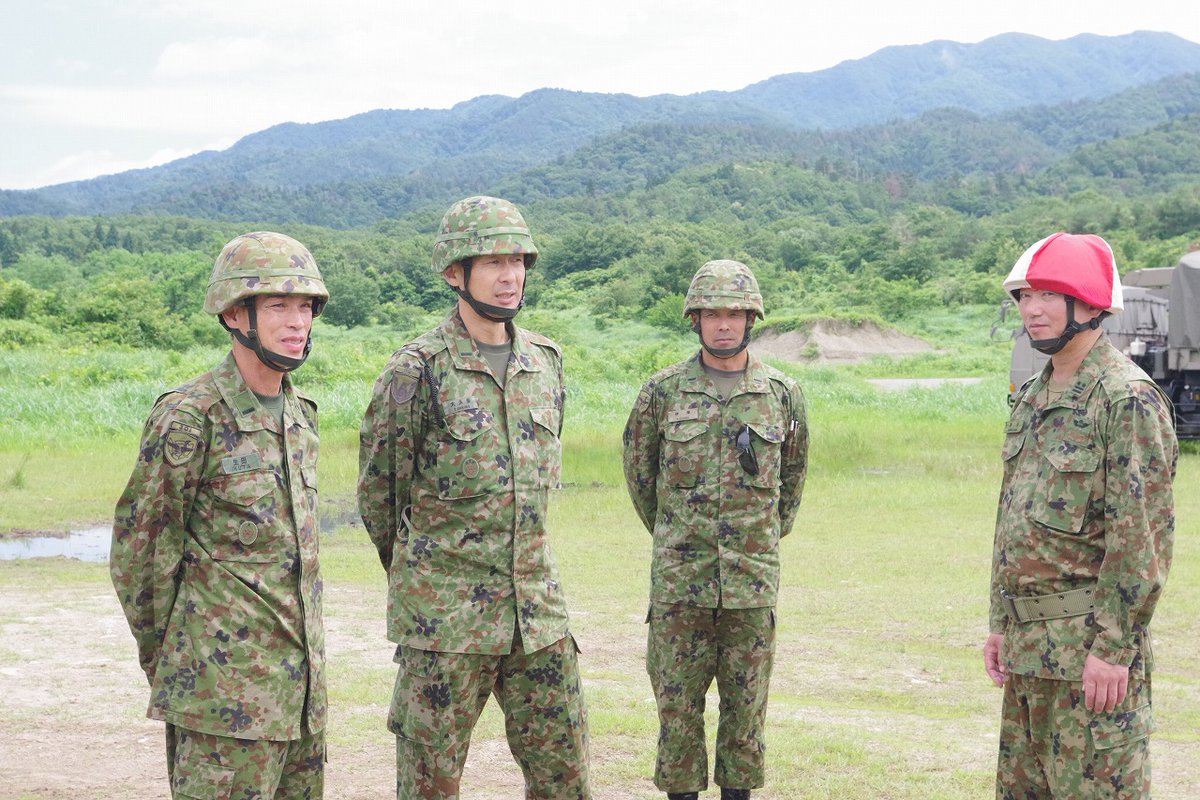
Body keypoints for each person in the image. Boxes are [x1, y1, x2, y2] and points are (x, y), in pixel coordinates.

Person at [358, 195, 590, 799]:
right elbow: (382, 495)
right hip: (446, 624)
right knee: (430, 784)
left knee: (565, 778)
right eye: (492, 262)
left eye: (517, 261)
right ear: (454, 273)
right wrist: (426, 581)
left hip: (537, 616)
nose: (509, 276)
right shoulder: (417, 370)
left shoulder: (545, 362)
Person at [110, 232, 330, 799]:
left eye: (305, 306)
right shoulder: (191, 416)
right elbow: (142, 556)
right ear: (235, 314)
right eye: (277, 305)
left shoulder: (299, 415)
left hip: (301, 698)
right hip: (220, 698)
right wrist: (179, 665)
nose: (296, 322)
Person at [983, 232, 1177, 798]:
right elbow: (1011, 519)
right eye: (1025, 296)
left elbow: (1141, 537)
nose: (1032, 309)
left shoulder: (1125, 399)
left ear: (1090, 305)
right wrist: (999, 622)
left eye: (1048, 295)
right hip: (1028, 648)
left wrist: (1113, 650)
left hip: (1087, 654)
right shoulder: (1032, 395)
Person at [622, 259, 808, 800]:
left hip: (751, 584)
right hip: (681, 586)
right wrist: (678, 536)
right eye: (711, 314)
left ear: (751, 320)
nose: (723, 324)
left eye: (734, 314)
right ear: (695, 320)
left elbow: (791, 481)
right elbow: (641, 479)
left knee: (746, 713)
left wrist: (755, 540)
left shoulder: (782, 393)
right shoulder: (661, 392)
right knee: (677, 711)